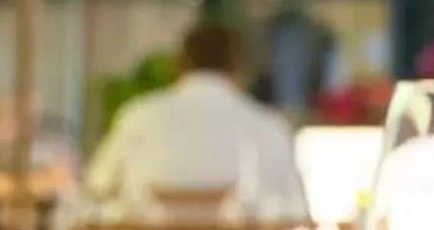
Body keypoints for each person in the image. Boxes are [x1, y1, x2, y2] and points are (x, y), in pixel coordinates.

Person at [80, 20, 308, 217]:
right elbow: (296, 210)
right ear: (238, 68)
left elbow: (96, 188)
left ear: (179, 65)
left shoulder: (138, 116)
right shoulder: (268, 126)